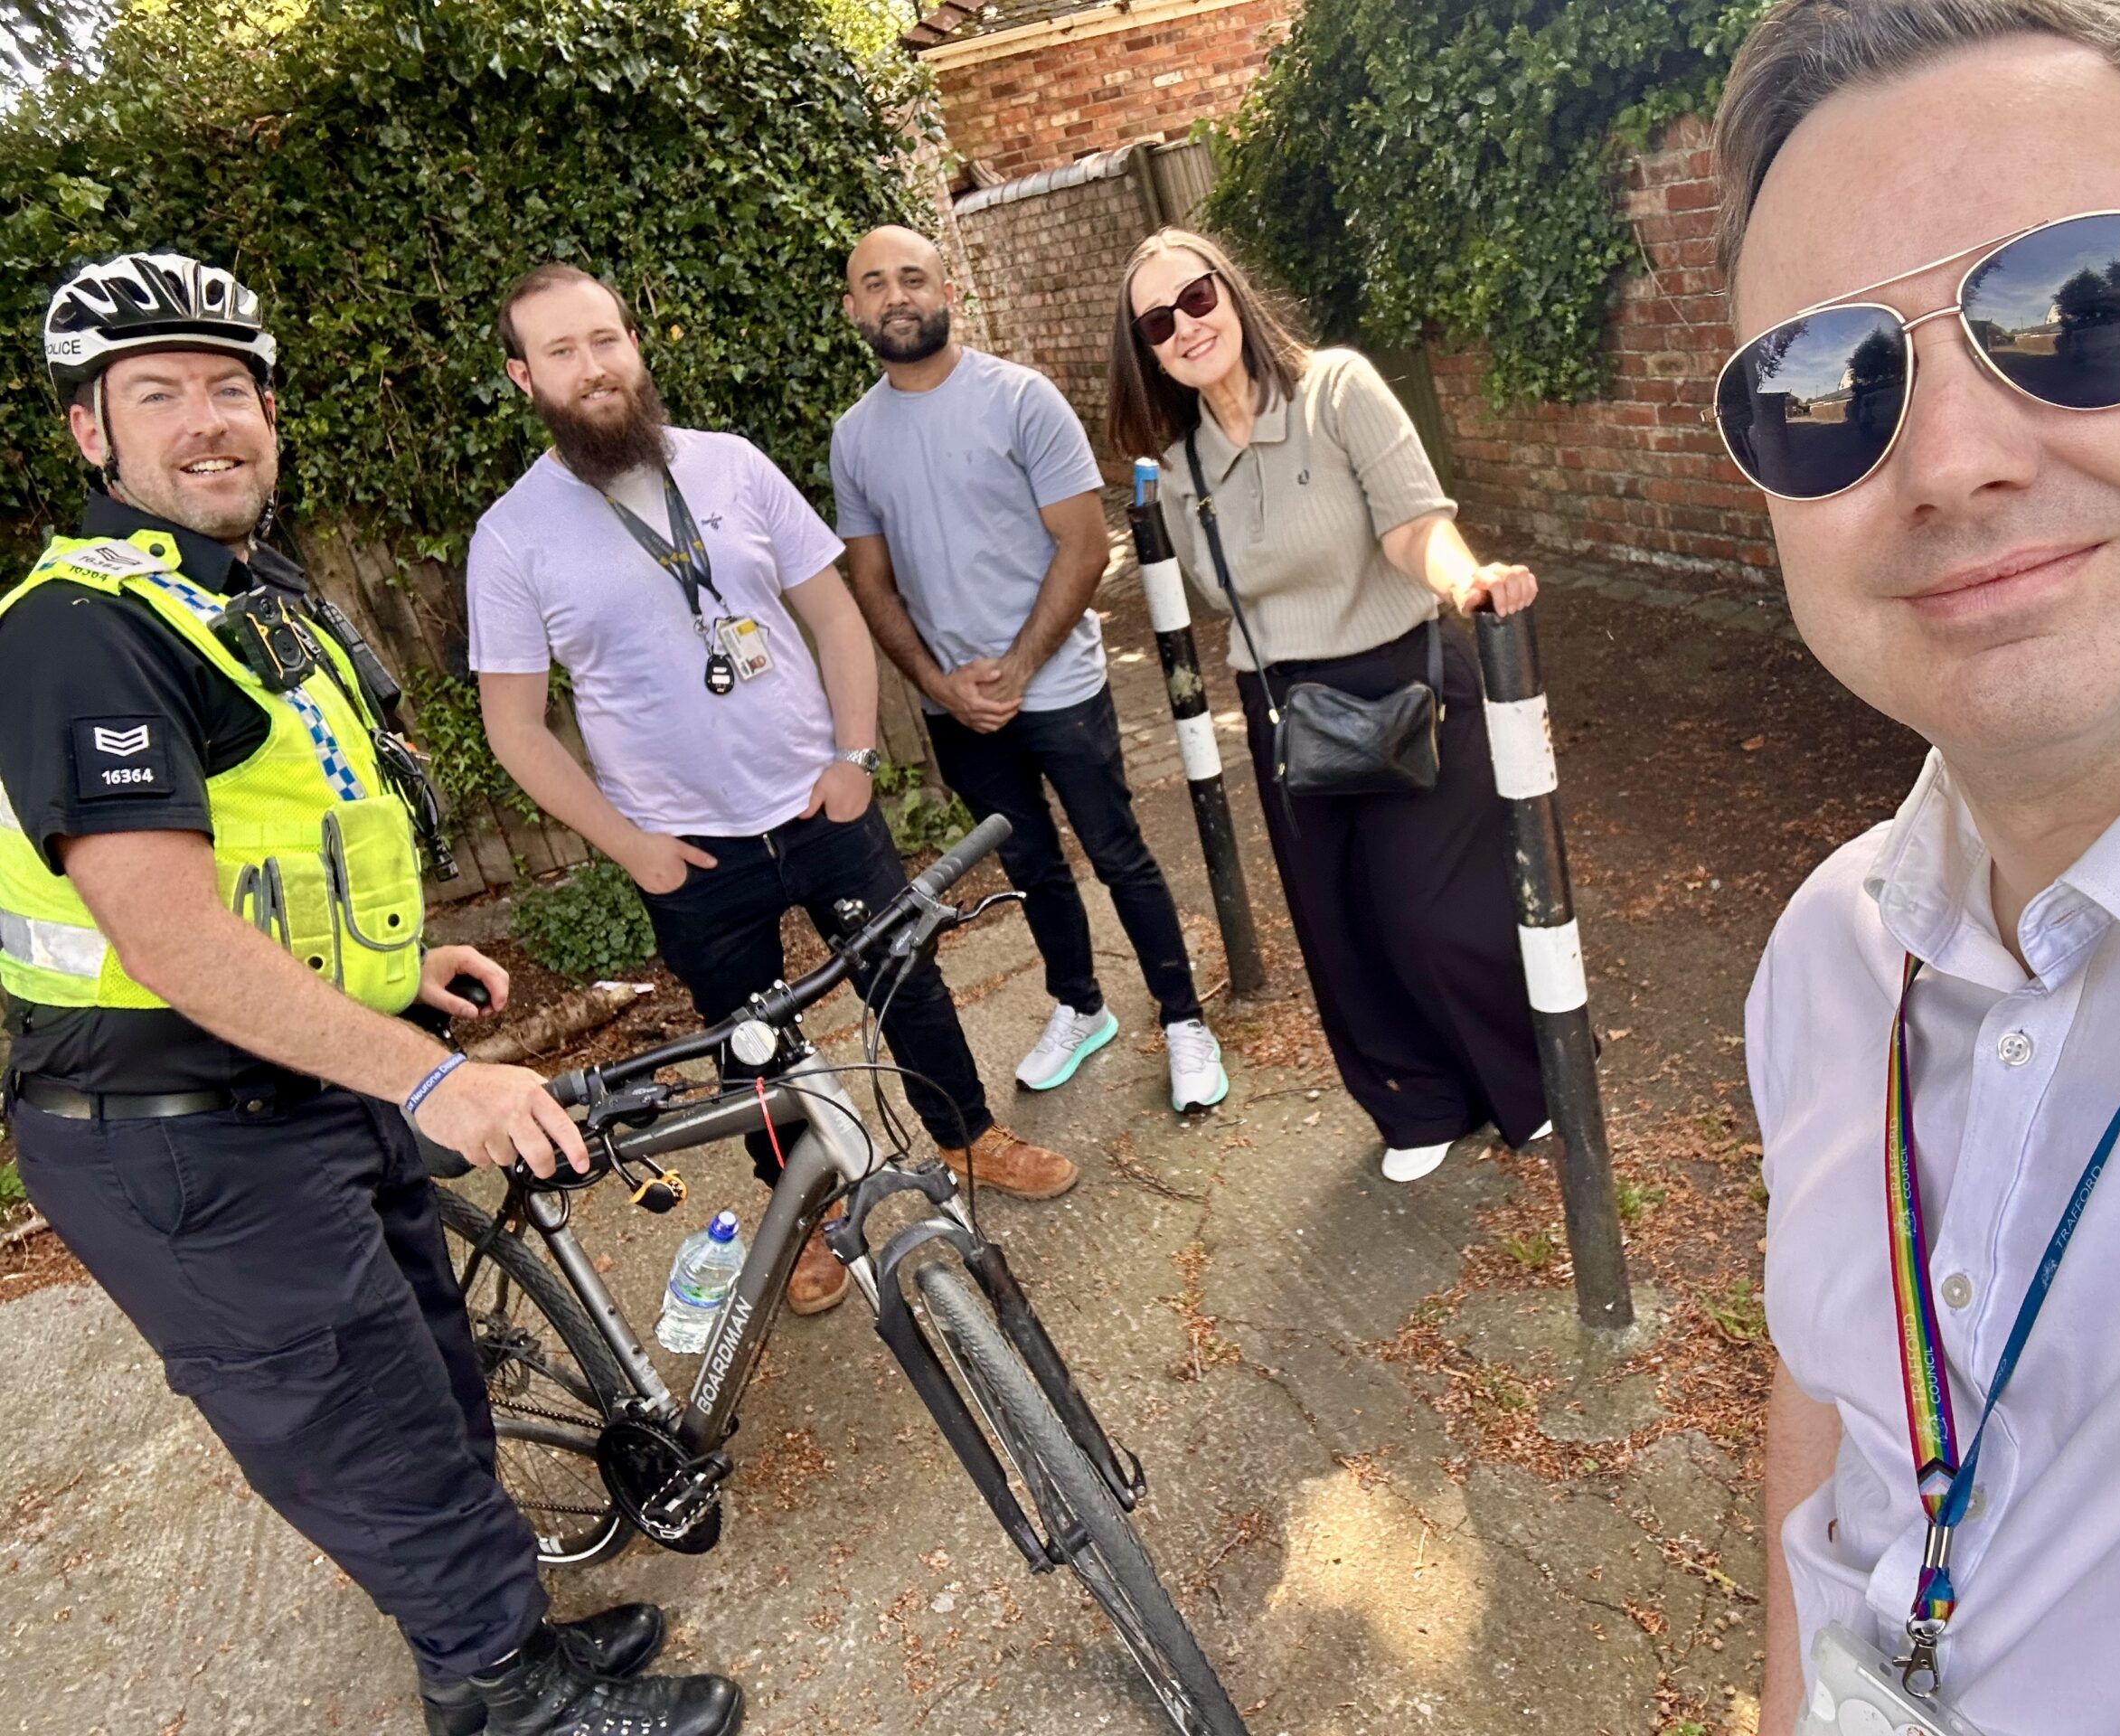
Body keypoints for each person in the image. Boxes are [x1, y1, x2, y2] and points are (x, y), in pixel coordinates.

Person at [0, 252, 740, 1736]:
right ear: (93, 434)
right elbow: (163, 931)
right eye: (159, 396)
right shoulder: (79, 626)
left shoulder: (240, 594)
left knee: (424, 1381)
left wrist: (396, 976)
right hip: (180, 1130)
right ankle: (500, 1697)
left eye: (230, 390)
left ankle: (505, 1633)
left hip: (302, 1080)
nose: (207, 421)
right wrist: (431, 1075)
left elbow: (279, 850)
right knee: (364, 1421)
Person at [1715, 4, 2120, 1731]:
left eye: (2084, 309)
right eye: (1828, 388)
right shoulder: (1830, 956)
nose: (1955, 462)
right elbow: (1835, 1401)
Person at [470, 263, 1079, 1319]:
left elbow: (838, 617)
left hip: (818, 806)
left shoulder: (733, 468)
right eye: (560, 353)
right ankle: (805, 1208)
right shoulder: (512, 536)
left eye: (605, 339)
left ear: (634, 343)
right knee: (748, 1043)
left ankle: (969, 1134)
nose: (593, 367)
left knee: (908, 981)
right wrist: (631, 848)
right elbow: (513, 729)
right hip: (688, 851)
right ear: (525, 380)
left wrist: (854, 759)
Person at [1105, 228, 1551, 1183]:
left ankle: (1531, 1082)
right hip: (1287, 707)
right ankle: (1417, 1102)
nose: (1185, 327)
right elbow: (1224, 599)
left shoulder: (1335, 390)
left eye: (1196, 299)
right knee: (1343, 930)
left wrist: (1468, 581)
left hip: (1407, 678)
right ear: (1144, 350)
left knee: (1437, 912)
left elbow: (1412, 528)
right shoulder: (1181, 475)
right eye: (1157, 322)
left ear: (1230, 293)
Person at [834, 225, 1228, 1112]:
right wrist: (941, 688)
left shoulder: (1021, 399)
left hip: (1057, 687)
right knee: (1034, 868)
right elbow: (870, 579)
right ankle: (1079, 1006)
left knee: (1117, 853)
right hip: (957, 711)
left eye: (913, 278)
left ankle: (1181, 1020)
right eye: (874, 284)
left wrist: (1014, 668)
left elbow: (1084, 547)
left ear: (947, 293)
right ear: (852, 308)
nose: (896, 296)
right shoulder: (853, 438)